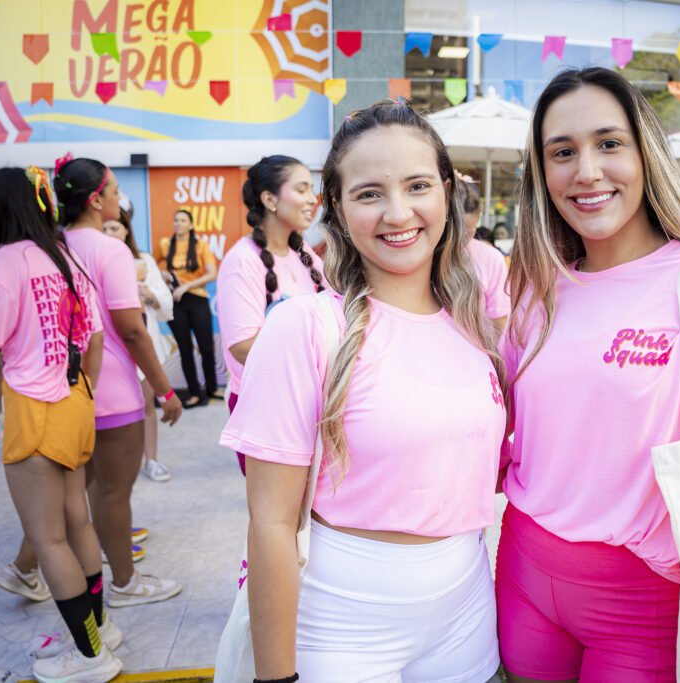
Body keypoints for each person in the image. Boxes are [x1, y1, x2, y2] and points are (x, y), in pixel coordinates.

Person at [499, 67, 680, 681]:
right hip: (522, 579)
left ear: (646, 154)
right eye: (562, 152)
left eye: (609, 143)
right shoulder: (532, 290)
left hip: (645, 605)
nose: (585, 171)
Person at [220, 100, 506, 682]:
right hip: (341, 623)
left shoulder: (477, 325)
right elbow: (271, 522)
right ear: (339, 207)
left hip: (468, 608)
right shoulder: (304, 326)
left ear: (447, 193)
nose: (398, 212)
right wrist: (276, 677)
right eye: (370, 193)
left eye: (418, 185)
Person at [0, 167, 122, 682]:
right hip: (75, 403)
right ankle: (98, 632)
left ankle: (89, 657)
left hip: (34, 411)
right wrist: (83, 394)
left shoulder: (4, 262)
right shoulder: (67, 257)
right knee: (76, 524)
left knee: (48, 538)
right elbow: (96, 339)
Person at [55, 156, 184, 605]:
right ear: (94, 200)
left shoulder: (50, 244)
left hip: (65, 389)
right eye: (113, 192)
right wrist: (164, 389)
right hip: (110, 390)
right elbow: (131, 329)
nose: (118, 199)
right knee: (114, 493)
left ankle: (54, 570)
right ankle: (124, 583)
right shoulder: (110, 251)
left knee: (83, 490)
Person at [217, 155, 324, 474]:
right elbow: (241, 347)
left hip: (307, 402)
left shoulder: (303, 255)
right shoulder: (242, 262)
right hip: (266, 407)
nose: (312, 199)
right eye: (302, 189)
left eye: (311, 189)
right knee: (275, 518)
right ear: (269, 199)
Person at [103, 209, 175, 481]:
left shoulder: (144, 260)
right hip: (111, 346)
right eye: (105, 229)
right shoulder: (97, 260)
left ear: (126, 231)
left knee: (147, 403)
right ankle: (117, 466)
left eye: (115, 228)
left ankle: (151, 460)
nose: (110, 234)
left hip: (143, 340)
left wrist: (149, 293)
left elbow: (164, 302)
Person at [158, 210, 220, 407]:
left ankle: (212, 388)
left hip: (197, 299)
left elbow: (212, 273)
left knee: (206, 348)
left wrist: (187, 286)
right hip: (175, 302)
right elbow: (151, 265)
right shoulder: (165, 244)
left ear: (191, 225)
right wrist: (163, 274)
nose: (178, 223)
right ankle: (193, 393)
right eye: (176, 220)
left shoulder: (200, 245)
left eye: (183, 220)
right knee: (185, 349)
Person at [456, 176, 510, 333]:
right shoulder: (426, 253)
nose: (459, 239)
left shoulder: (490, 258)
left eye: (467, 233)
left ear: (478, 217)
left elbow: (498, 323)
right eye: (452, 230)